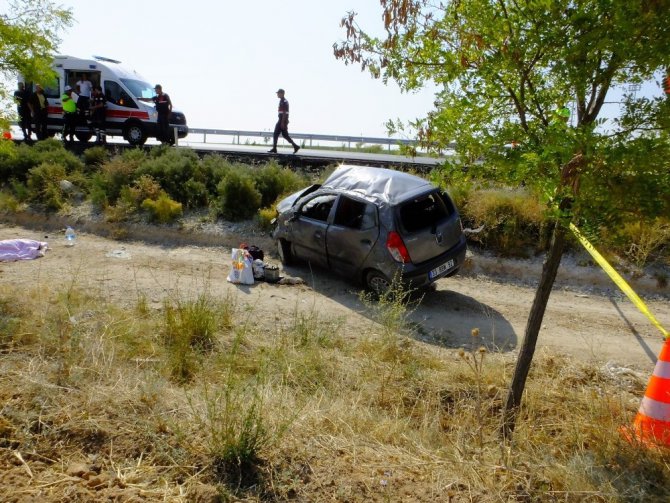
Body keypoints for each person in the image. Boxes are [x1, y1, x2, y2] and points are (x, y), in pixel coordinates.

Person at [268, 88, 300, 154]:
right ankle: (295, 146)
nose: (277, 94)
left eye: (278, 93)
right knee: (285, 135)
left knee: (276, 133)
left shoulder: (284, 101)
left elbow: (285, 112)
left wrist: (282, 122)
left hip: (282, 120)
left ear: (282, 93)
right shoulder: (281, 101)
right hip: (282, 120)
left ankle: (274, 148)